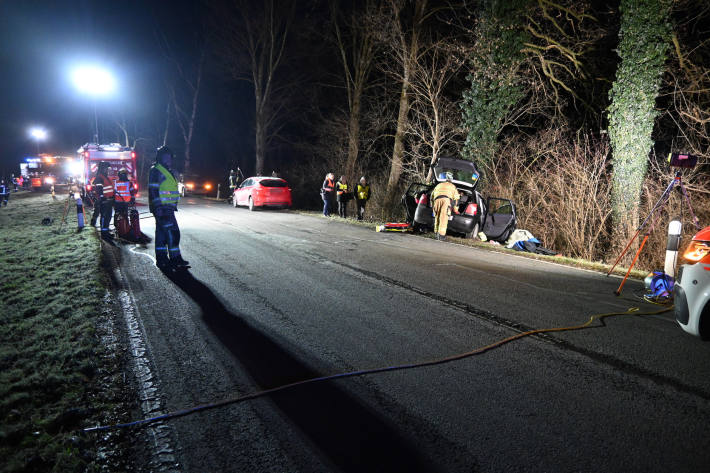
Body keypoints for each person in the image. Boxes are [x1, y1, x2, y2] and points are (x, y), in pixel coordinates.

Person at [149, 146, 189, 270]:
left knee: (161, 234)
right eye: (167, 157)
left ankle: (162, 259)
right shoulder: (157, 170)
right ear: (161, 157)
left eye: (170, 157)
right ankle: (175, 258)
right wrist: (158, 207)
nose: (170, 159)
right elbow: (153, 190)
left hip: (166, 208)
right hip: (163, 208)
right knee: (173, 233)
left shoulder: (165, 170)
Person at [431, 171, 460, 241]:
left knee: (437, 217)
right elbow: (456, 199)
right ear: (451, 180)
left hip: (436, 201)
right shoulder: (452, 186)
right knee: (443, 218)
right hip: (446, 201)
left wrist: (432, 206)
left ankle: (436, 233)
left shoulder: (439, 185)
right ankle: (441, 236)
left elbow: (432, 196)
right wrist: (456, 209)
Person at [91, 162, 115, 240]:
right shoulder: (99, 178)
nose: (107, 170)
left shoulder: (106, 177)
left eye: (107, 169)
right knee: (104, 217)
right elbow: (99, 190)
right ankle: (104, 234)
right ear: (102, 169)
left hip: (109, 201)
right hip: (104, 202)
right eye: (106, 169)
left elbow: (109, 189)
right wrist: (102, 198)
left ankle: (106, 232)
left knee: (108, 217)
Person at [113, 168, 135, 237]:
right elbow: (132, 192)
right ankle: (126, 227)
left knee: (117, 214)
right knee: (125, 214)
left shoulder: (116, 182)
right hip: (125, 202)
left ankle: (117, 227)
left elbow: (113, 192)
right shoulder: (129, 183)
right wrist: (132, 200)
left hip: (118, 202)